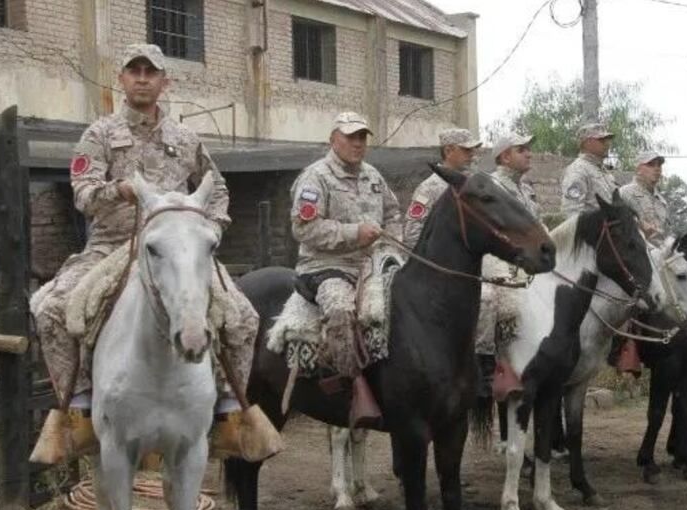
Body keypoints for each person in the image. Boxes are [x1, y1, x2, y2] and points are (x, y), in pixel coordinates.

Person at [32, 43, 261, 458]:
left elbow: (218, 186)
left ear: (163, 81)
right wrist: (116, 190)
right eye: (134, 70)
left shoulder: (185, 137)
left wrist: (211, 228)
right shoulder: (99, 134)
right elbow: (82, 194)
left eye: (150, 72)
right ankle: (79, 407)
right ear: (121, 79)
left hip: (178, 250)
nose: (142, 78)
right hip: (112, 245)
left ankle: (230, 411)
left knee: (243, 316)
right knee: (51, 307)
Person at [289, 111, 402, 386]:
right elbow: (304, 228)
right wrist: (354, 233)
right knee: (340, 309)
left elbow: (393, 213)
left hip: (373, 264)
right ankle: (350, 387)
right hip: (325, 267)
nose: (358, 143)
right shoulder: (315, 178)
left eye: (362, 137)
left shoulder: (373, 176)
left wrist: (392, 248)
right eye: (351, 136)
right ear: (333, 140)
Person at [402, 128, 482, 248]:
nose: (472, 154)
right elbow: (412, 234)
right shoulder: (429, 189)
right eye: (466, 150)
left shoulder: (474, 185)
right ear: (448, 151)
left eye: (473, 150)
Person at [560, 123, 617, 217]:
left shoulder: (605, 173)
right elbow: (571, 212)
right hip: (592, 230)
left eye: (607, 140)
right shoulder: (578, 170)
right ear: (587, 142)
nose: (607, 144)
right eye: (601, 140)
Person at [619, 151, 670, 243]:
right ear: (638, 169)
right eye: (651, 165)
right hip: (637, 250)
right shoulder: (625, 192)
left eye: (659, 165)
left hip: (662, 250)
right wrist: (639, 225)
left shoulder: (662, 201)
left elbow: (666, 231)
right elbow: (616, 222)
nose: (657, 169)